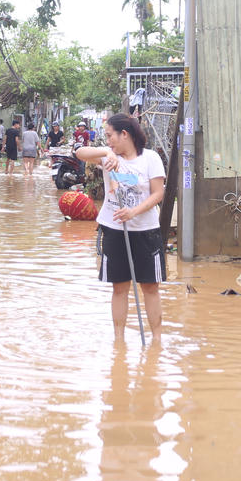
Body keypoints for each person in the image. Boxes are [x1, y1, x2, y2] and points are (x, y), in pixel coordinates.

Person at [74, 113, 167, 341]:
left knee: (150, 287)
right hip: (115, 230)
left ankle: (156, 340)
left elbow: (158, 194)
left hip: (146, 231)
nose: (108, 141)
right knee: (119, 287)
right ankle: (119, 342)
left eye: (110, 136)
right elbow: (79, 153)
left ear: (124, 134)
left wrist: (133, 212)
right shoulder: (109, 157)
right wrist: (106, 153)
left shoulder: (150, 158)